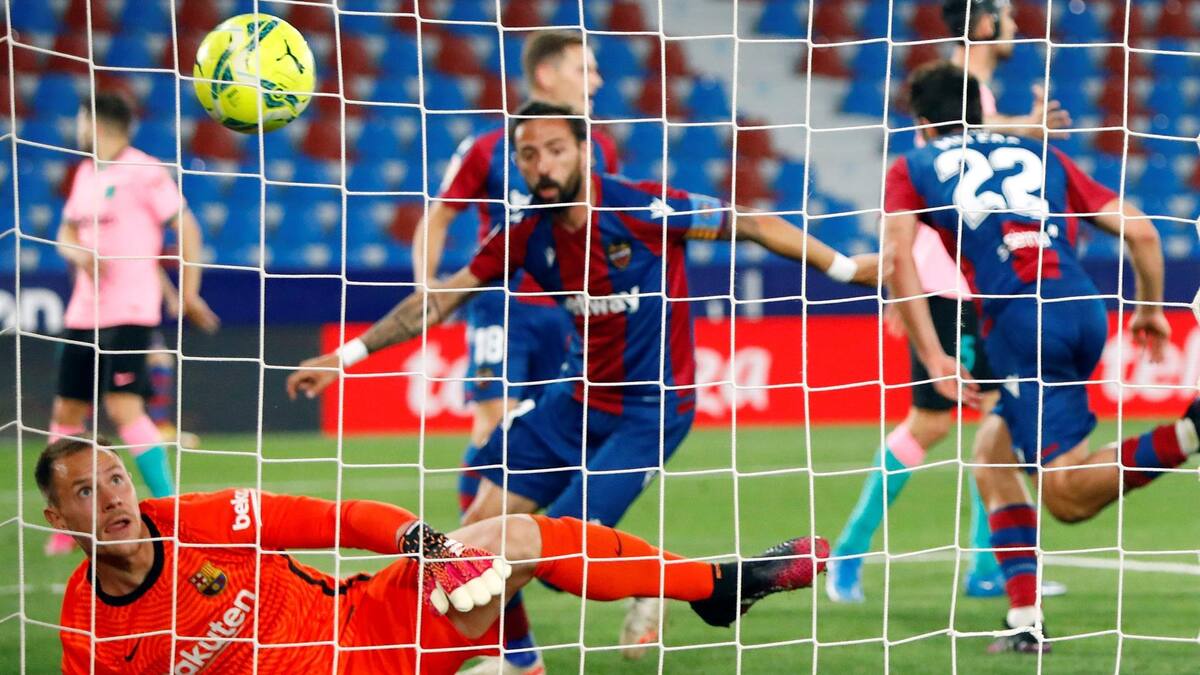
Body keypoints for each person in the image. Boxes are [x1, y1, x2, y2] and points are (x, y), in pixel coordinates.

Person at [289, 101, 875, 663]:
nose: (542, 166)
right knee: (474, 538)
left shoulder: (644, 210)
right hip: (575, 400)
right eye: (527, 155)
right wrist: (346, 354)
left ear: (584, 152)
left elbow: (755, 223)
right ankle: (488, 658)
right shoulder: (526, 233)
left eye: (555, 150)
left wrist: (846, 268)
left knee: (560, 559)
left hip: (650, 412)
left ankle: (683, 584)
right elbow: (442, 298)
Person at [883, 61, 1200, 654]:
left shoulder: (913, 165)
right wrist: (1150, 310)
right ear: (980, 109)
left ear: (922, 124)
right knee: (991, 456)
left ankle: (1192, 430)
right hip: (1081, 306)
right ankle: (1025, 619)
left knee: (1066, 496)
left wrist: (932, 353)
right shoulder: (1039, 153)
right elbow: (1142, 231)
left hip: (1022, 324)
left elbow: (896, 257)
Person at [43, 437, 828, 674]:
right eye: (85, 491)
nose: (112, 498)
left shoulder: (198, 518)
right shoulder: (88, 630)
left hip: (376, 624)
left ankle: (716, 585)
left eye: (115, 477)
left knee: (516, 536)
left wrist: (434, 549)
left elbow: (343, 517)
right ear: (57, 517)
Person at [826, 0, 1072, 603]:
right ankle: (848, 554)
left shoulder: (972, 89)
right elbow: (946, 165)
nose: (1016, 24)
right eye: (1007, 14)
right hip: (949, 286)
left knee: (999, 421)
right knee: (933, 422)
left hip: (979, 283)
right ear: (984, 24)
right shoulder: (957, 87)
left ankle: (989, 567)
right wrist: (1029, 128)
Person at [413, 30, 623, 671]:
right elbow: (439, 215)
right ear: (548, 74)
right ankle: (517, 650)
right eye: (586, 68)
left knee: (555, 473)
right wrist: (429, 289)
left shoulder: (598, 147)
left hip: (571, 316)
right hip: (502, 309)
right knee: (492, 454)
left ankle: (631, 582)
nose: (598, 80)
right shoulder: (487, 147)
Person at [45, 92, 218, 556]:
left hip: (130, 310)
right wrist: (76, 250)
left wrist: (189, 292)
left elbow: (188, 227)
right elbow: (65, 230)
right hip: (83, 312)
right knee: (67, 412)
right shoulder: (86, 173)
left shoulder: (145, 171)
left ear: (95, 123)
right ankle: (67, 522)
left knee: (123, 407)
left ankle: (170, 508)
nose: (77, 128)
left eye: (81, 119)